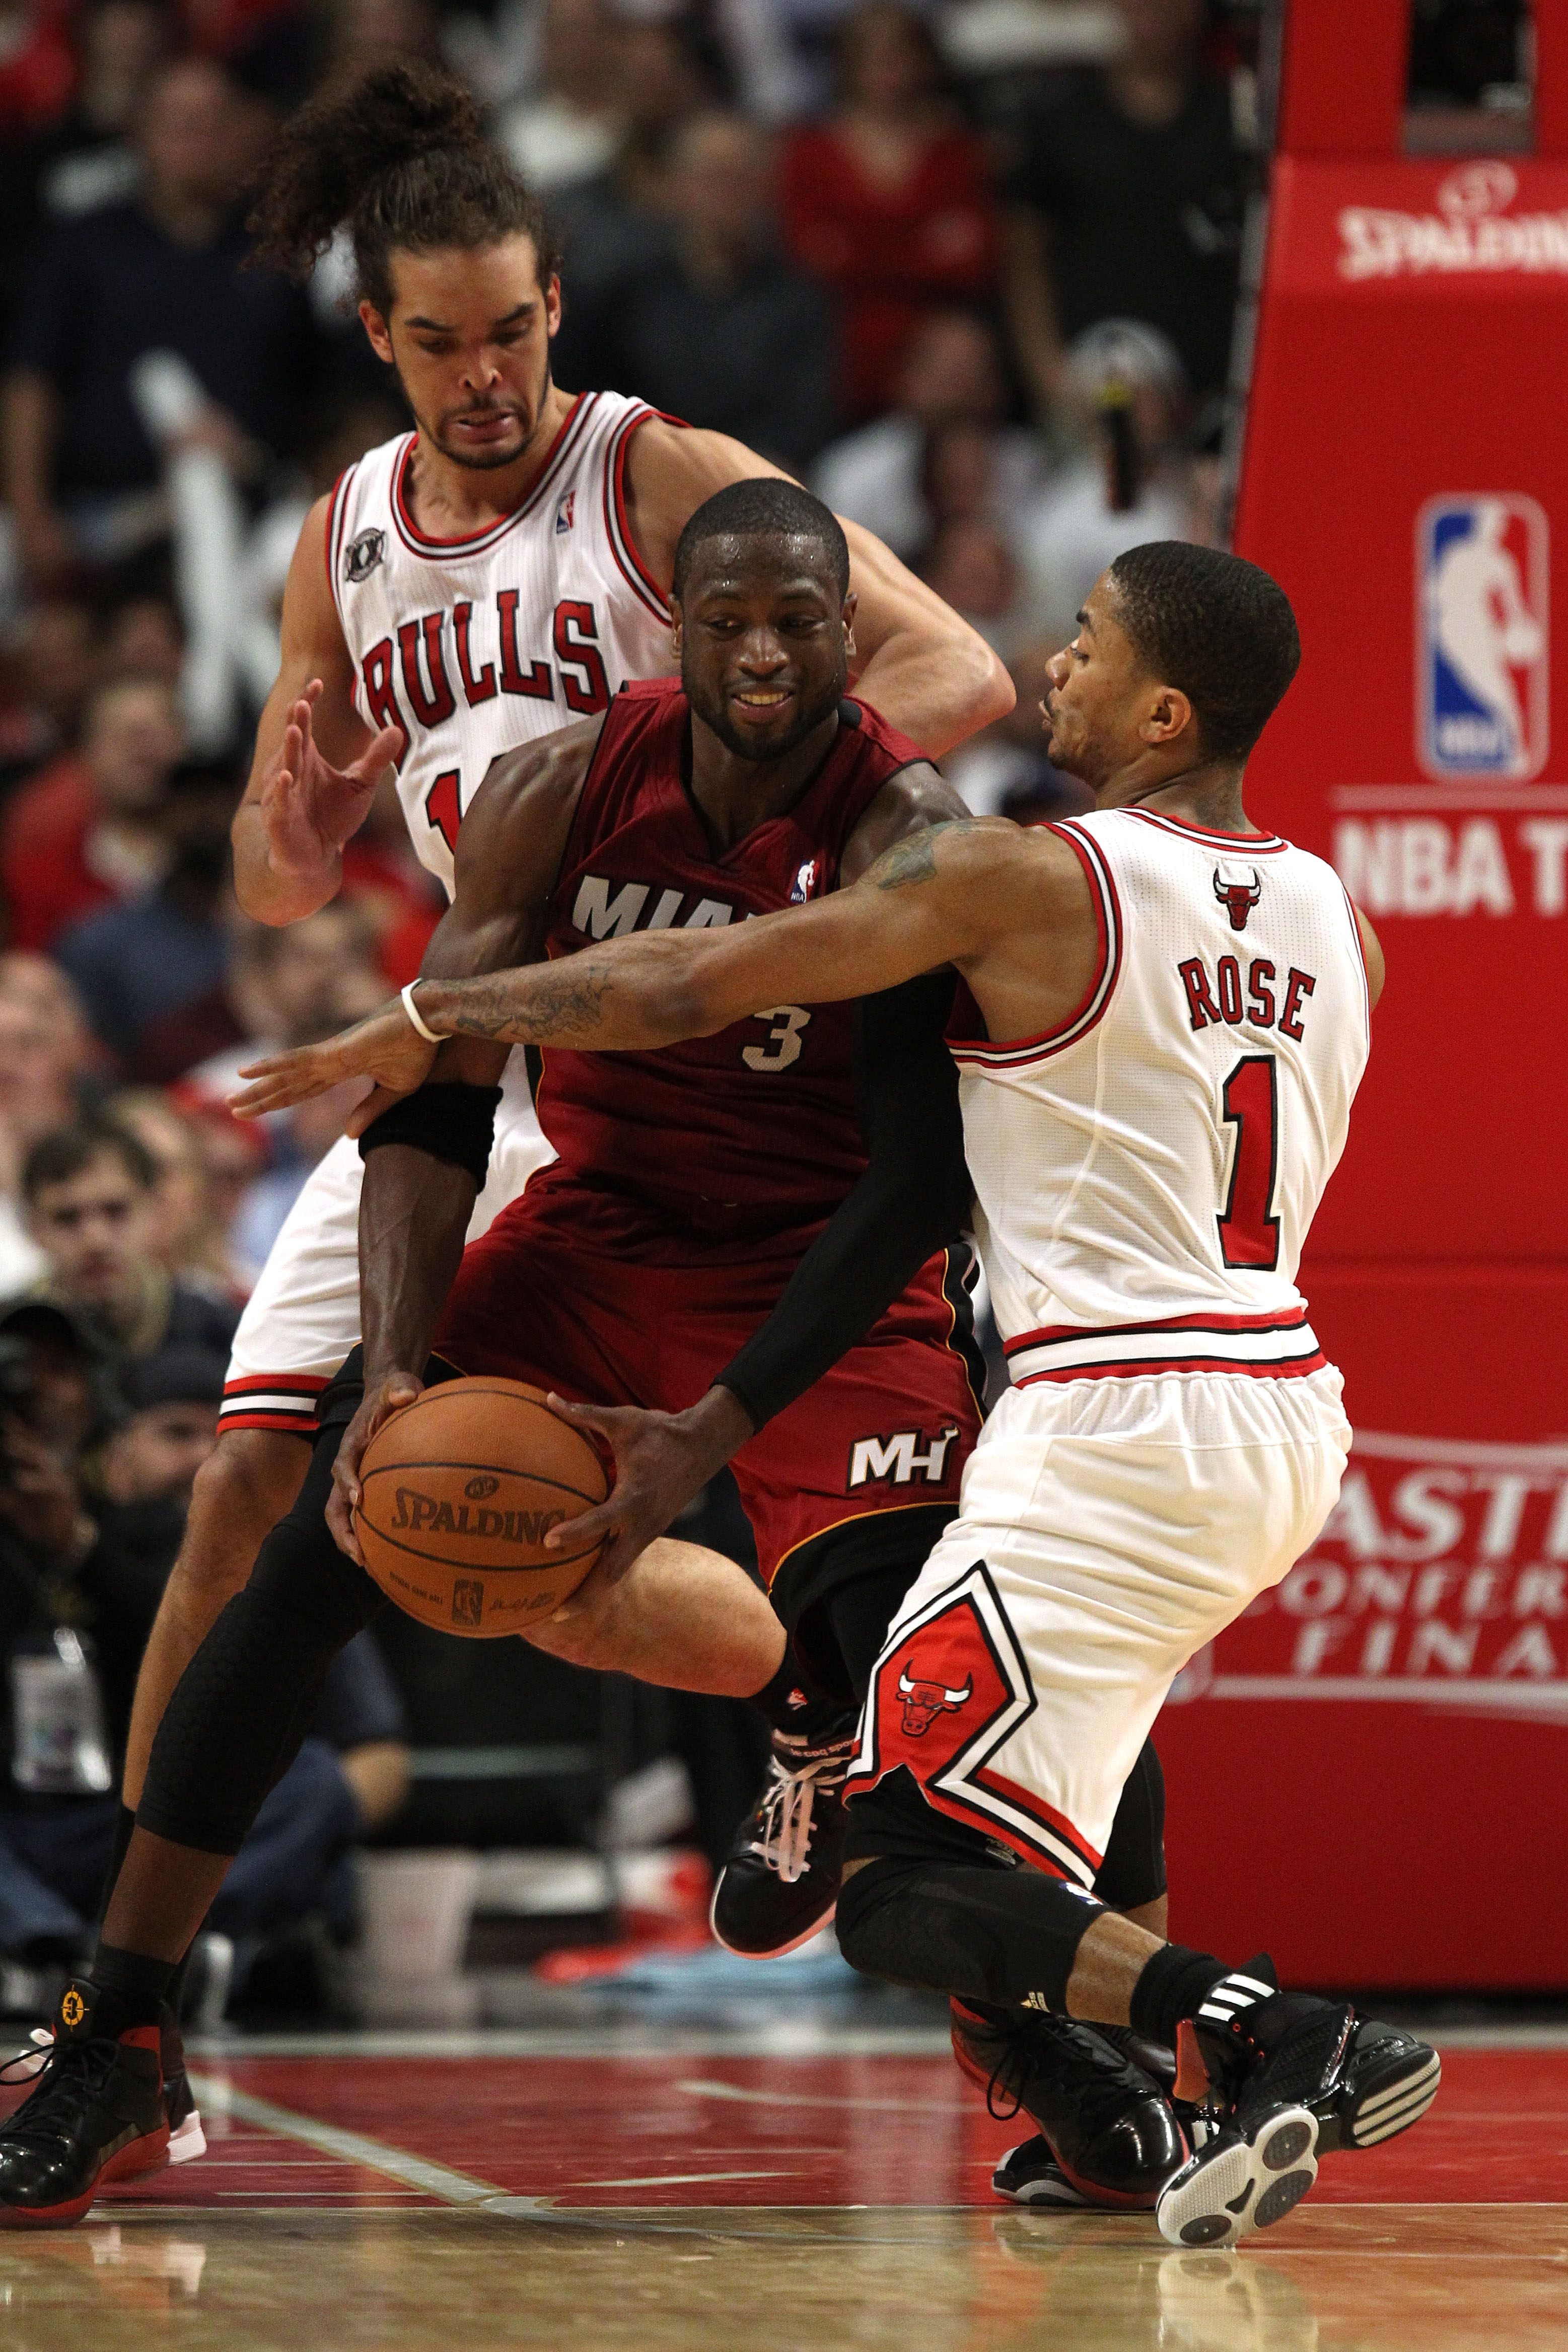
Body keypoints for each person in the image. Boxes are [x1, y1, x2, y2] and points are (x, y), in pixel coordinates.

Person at [239, 539, 1443, 2244]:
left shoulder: (1018, 876)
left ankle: (1272, 2032)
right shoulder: (1345, 924)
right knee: (1056, 1799)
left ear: (1165, 708)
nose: (1052, 667)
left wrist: (434, 1008)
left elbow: (684, 983)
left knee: (888, 1889)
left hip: (1111, 1421)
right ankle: (1153, 2114)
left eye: (1087, 648)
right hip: (1277, 1410)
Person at [0, 485, 1171, 2230]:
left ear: (852, 643)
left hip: (818, 1267)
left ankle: (1034, 2040)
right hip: (600, 1224)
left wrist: (710, 1430)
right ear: (675, 629)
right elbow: (441, 1091)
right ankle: (118, 2031)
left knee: (921, 1664)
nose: (765, 650)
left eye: (800, 619)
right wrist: (396, 1367)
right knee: (310, 1547)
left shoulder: (907, 834)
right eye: (731, 618)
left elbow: (912, 1190)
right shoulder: (561, 783)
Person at [110, 56, 1008, 1975]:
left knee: (532, 1500)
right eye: (442, 343)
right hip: (470, 1030)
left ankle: (833, 1704)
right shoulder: (344, 529)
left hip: (662, 1047)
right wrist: (286, 814)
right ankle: (117, 1977)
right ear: (379, 337)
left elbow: (949, 664)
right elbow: (285, 874)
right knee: (306, 1491)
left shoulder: (648, 468)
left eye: (513, 329)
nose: (488, 376)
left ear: (554, 309)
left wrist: (729, 841)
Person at [1001, 0, 1246, 419]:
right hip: (1093, 383)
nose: (1154, 12)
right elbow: (1024, 256)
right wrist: (1048, 372)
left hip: (1212, 391)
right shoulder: (1061, 120)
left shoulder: (1235, 117)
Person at [780, 3, 1000, 424]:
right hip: (841, 356)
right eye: (874, 56)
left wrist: (858, 248)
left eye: (901, 54)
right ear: (848, 63)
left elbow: (976, 261)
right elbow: (808, 258)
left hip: (945, 364)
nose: (889, 69)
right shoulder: (810, 152)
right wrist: (923, 248)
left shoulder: (954, 150)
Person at [23, 1118, 239, 1372]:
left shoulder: (225, 1337)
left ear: (156, 1211)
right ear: (33, 1228)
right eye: (67, 1218)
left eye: (116, 1211)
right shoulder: (12, 1339)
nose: (96, 1241)